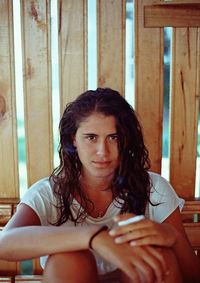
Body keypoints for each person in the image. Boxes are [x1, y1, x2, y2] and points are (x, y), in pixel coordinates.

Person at [0, 88, 199, 283]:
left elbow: (192, 276)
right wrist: (93, 237)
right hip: (70, 274)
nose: (102, 151)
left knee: (156, 254)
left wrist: (171, 238)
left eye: (114, 138)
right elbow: (4, 243)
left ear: (126, 140)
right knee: (69, 259)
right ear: (73, 139)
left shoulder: (154, 188)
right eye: (91, 137)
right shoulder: (48, 193)